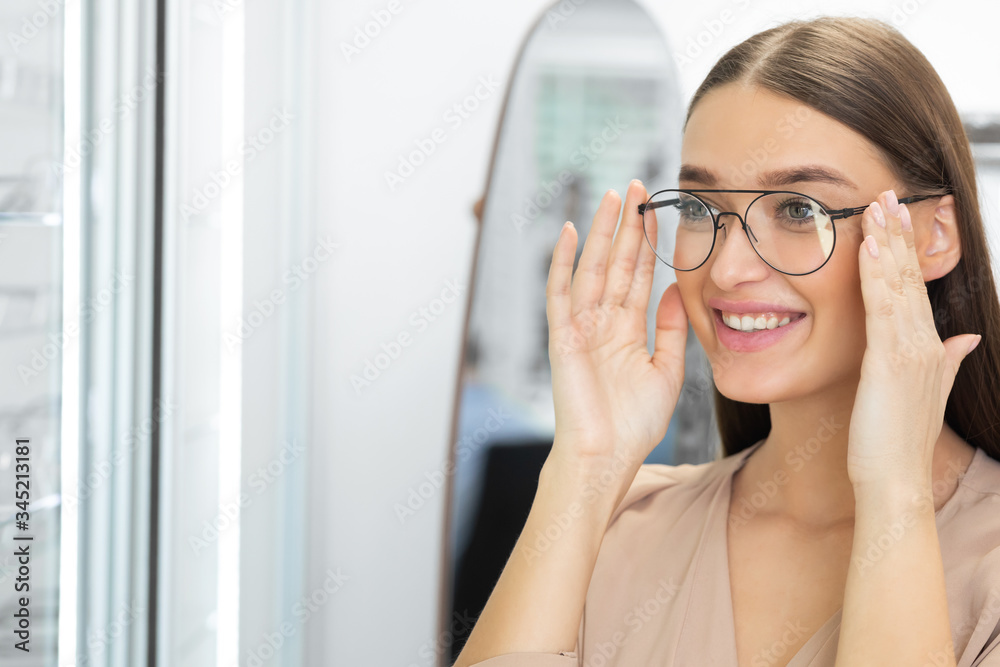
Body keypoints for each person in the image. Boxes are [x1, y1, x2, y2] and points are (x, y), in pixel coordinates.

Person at [451, 15, 1000, 667]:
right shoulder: (620, 526)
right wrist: (589, 463)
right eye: (699, 208)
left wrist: (895, 495)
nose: (727, 268)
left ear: (934, 234)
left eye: (799, 209)